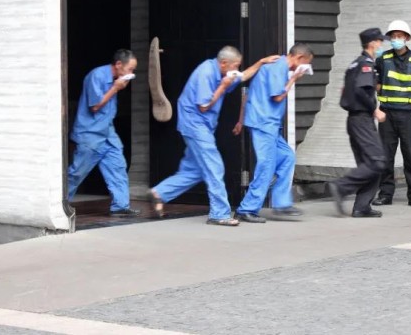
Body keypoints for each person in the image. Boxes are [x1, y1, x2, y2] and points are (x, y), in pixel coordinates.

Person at [148, 47, 280, 226]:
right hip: (195, 125)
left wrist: (261, 62)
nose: (237, 69)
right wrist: (223, 86)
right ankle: (219, 213)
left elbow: (243, 76)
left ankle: (160, 193)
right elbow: (204, 106)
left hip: (201, 126)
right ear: (224, 63)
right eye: (235, 65)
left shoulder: (224, 71)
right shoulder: (206, 72)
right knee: (214, 166)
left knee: (194, 171)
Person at [233, 43, 315, 223]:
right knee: (266, 165)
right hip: (264, 123)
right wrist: (294, 78)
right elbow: (277, 96)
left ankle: (281, 204)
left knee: (287, 157)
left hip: (268, 124)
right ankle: (247, 208)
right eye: (305, 63)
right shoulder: (279, 68)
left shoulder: (277, 67)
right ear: (299, 58)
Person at [67, 49, 141, 216]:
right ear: (119, 65)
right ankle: (60, 204)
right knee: (77, 172)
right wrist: (115, 88)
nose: (131, 73)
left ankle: (120, 205)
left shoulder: (116, 79)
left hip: (107, 131)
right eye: (130, 69)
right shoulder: (97, 76)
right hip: (90, 132)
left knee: (118, 165)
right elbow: (95, 106)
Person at [327, 28, 389, 218]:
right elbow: (362, 91)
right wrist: (374, 109)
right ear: (372, 43)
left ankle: (362, 206)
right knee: (377, 161)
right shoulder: (366, 64)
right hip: (362, 118)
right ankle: (341, 187)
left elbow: (346, 90)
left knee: (369, 163)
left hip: (354, 119)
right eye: (380, 42)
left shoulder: (354, 64)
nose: (382, 45)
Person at [373, 20, 411, 209]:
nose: (396, 39)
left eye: (400, 36)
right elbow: (376, 82)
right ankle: (385, 194)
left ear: (407, 38)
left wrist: (408, 99)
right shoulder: (382, 58)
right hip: (387, 113)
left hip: (407, 114)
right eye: (393, 36)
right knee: (385, 156)